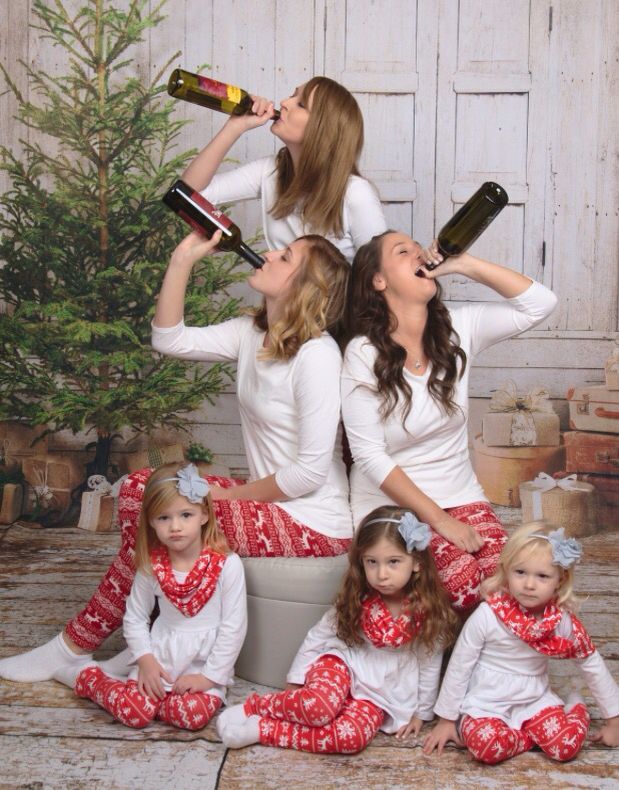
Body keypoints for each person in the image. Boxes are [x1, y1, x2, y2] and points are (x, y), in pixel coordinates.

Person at [0, 229, 352, 683]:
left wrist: (230, 498)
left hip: (312, 521)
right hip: (267, 502)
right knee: (137, 491)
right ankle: (145, 641)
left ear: (307, 288)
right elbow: (169, 339)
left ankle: (81, 644)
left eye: (284, 257)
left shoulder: (318, 355)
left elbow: (308, 473)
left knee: (170, 514)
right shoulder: (252, 333)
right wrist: (184, 257)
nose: (267, 254)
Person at [341, 231, 559, 611]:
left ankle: (480, 665)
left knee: (514, 584)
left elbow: (541, 304)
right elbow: (368, 455)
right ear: (379, 280)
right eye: (402, 251)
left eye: (417, 246)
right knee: (463, 585)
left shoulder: (458, 330)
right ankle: (447, 664)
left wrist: (464, 264)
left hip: (461, 495)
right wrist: (442, 522)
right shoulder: (363, 352)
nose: (419, 253)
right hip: (391, 507)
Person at [215, 506, 459, 754]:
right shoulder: (358, 598)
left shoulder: (429, 611)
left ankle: (263, 729)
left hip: (382, 691)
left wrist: (421, 713)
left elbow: (430, 662)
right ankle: (252, 708)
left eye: (393, 562)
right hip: (344, 663)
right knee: (317, 708)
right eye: (371, 562)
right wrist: (296, 679)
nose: (381, 574)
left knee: (350, 739)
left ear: (416, 563)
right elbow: (318, 636)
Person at [55, 463, 246, 731]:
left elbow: (234, 628)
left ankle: (165, 703)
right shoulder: (151, 566)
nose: (175, 526)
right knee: (136, 714)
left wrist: (208, 677)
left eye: (186, 515)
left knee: (190, 717)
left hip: (203, 664)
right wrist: (146, 661)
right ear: (151, 521)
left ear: (204, 515)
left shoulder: (228, 564)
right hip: (159, 657)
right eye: (164, 518)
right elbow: (134, 617)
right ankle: (86, 677)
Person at [423, 522, 619, 763]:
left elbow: (591, 662)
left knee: (564, 748)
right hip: (487, 701)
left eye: (542, 576)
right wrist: (446, 720)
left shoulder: (560, 620)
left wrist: (614, 720)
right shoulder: (488, 615)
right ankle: (529, 738)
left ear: (560, 579)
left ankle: (576, 707)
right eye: (520, 572)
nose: (529, 584)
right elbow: (460, 666)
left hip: (533, 698)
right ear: (506, 571)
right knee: (485, 749)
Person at [182, 76, 387, 261]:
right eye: (292, 95)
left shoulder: (356, 193)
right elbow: (190, 193)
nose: (284, 103)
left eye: (301, 104)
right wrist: (235, 126)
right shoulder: (271, 171)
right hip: (282, 303)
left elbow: (380, 276)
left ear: (323, 129)